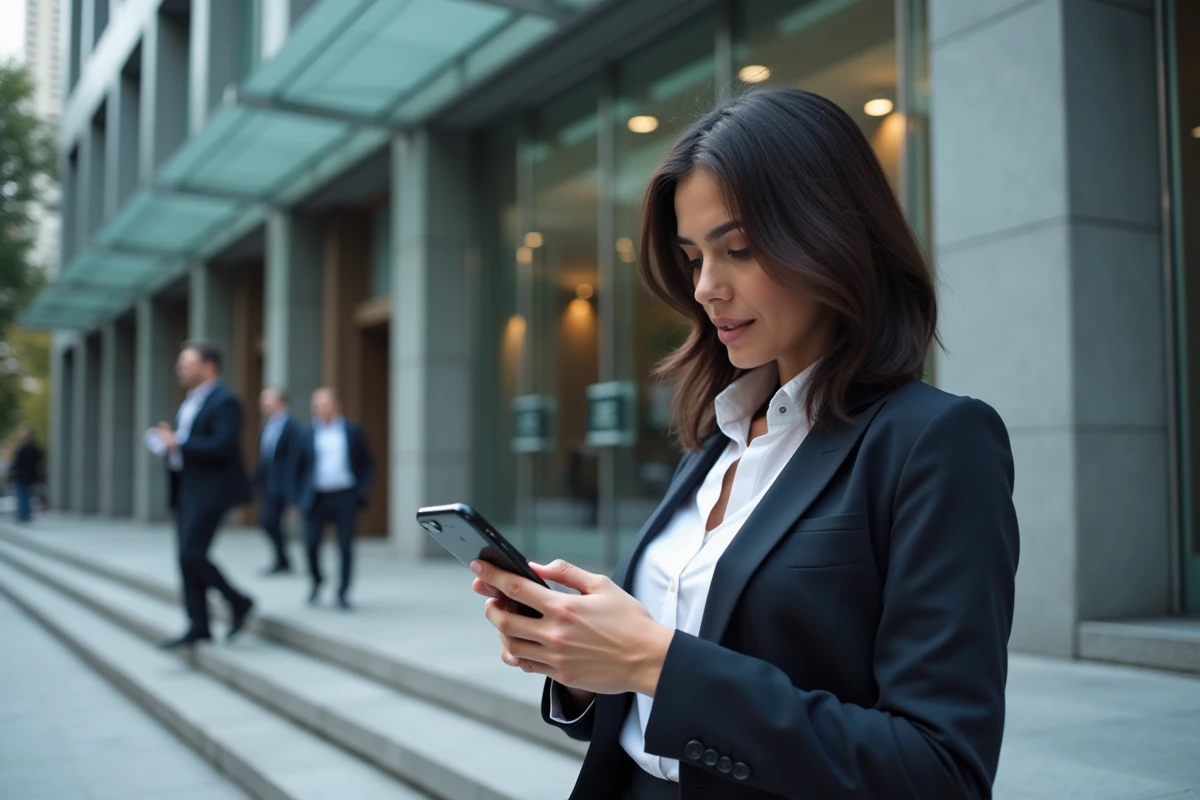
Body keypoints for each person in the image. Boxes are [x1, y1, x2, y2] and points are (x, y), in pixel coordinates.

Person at [471, 87, 1019, 800]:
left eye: (738, 249)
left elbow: (938, 772)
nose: (704, 287)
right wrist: (584, 664)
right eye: (693, 256)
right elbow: (671, 695)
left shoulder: (937, 442)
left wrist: (657, 663)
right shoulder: (717, 435)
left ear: (832, 235)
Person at [151, 341, 255, 649]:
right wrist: (169, 443)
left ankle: (238, 601)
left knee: (191, 555)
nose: (180, 368)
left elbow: (223, 445)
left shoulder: (225, 401)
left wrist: (178, 443)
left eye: (187, 363)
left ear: (208, 367)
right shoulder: (189, 401)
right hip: (186, 489)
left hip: (211, 492)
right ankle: (199, 624)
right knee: (184, 559)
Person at [295, 388, 374, 610]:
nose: (319, 409)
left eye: (324, 404)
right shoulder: (306, 433)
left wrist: (362, 490)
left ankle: (343, 591)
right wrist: (295, 497)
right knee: (310, 543)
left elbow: (367, 462)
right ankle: (317, 580)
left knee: (345, 545)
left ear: (336, 405)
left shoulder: (352, 430)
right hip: (316, 497)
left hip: (345, 495)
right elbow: (297, 467)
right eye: (316, 405)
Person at [253, 388, 302, 575]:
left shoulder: (291, 427)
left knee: (270, 521)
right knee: (267, 522)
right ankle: (282, 559)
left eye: (268, 402)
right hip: (268, 485)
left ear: (281, 402)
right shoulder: (268, 426)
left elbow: (292, 461)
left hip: (284, 486)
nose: (264, 406)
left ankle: (283, 559)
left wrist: (292, 496)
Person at [8, 425, 43, 523]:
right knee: (26, 495)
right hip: (31, 476)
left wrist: (11, 471)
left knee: (22, 495)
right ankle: (26, 513)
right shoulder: (36, 449)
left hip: (21, 475)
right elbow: (39, 463)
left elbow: (16, 463)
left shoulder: (21, 449)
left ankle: (24, 514)